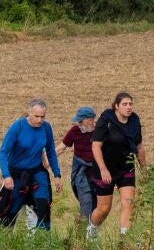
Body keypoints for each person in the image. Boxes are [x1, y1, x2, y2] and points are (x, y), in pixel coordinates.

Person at [90, 92, 146, 239]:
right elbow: (96, 146)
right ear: (116, 106)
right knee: (104, 209)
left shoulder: (134, 121)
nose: (129, 107)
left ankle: (124, 241)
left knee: (128, 204)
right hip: (105, 168)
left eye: (131, 104)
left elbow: (139, 147)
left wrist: (145, 170)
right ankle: (92, 231)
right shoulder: (106, 119)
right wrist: (103, 169)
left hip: (126, 167)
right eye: (125, 104)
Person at [0, 101, 61, 231]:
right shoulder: (17, 127)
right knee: (12, 208)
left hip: (37, 172)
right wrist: (6, 175)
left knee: (43, 205)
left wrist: (57, 174)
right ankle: (3, 238)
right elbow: (3, 152)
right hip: (17, 173)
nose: (40, 120)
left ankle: (41, 240)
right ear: (29, 113)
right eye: (36, 116)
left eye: (43, 117)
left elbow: (51, 151)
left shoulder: (46, 128)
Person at [62, 106, 100, 224]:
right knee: (86, 201)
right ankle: (82, 235)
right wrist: (47, 162)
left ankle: (91, 235)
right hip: (81, 174)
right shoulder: (75, 130)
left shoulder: (100, 131)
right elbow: (61, 148)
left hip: (97, 172)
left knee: (97, 205)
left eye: (79, 121)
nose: (77, 123)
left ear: (89, 120)